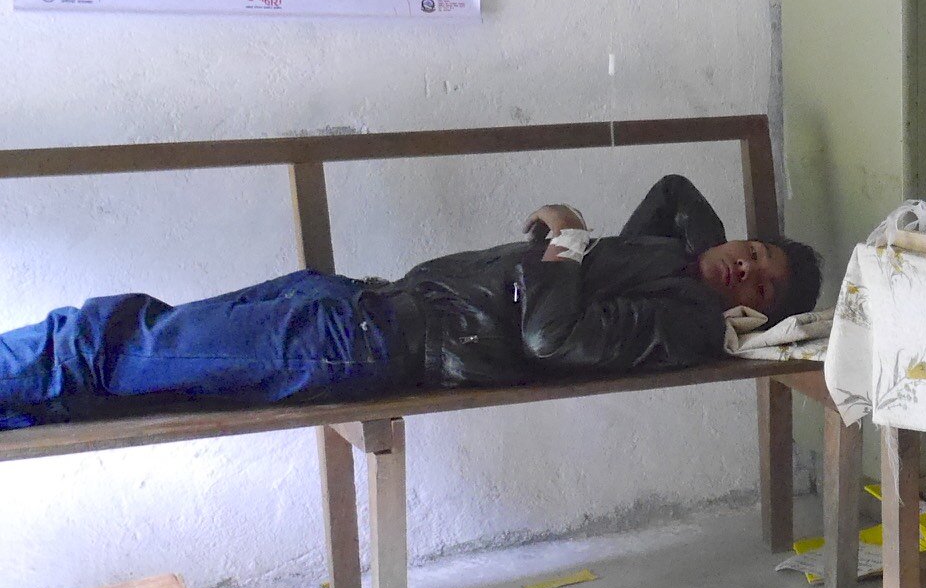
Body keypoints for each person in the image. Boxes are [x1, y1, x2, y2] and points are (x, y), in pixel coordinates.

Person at [1, 175, 823, 431]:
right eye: (752, 251)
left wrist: (568, 239)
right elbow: (676, 192)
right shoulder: (677, 268)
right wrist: (702, 249)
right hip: (358, 302)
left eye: (760, 284)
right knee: (122, 367)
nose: (742, 270)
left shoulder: (684, 319)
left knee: (109, 340)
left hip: (368, 342)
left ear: (760, 315)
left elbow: (551, 335)